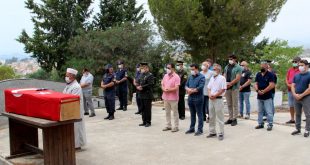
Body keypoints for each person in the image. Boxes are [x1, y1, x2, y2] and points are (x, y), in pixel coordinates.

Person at [63, 68, 87, 149]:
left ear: (72, 76)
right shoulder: (68, 85)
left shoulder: (76, 87)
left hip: (75, 110)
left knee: (77, 128)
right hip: (69, 110)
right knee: (72, 129)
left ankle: (77, 146)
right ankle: (72, 144)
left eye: (67, 75)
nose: (66, 76)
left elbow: (72, 99)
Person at [206, 64, 226, 141]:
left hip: (218, 99)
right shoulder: (212, 78)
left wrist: (215, 95)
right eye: (213, 69)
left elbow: (223, 89)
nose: (213, 71)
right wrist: (209, 94)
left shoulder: (222, 78)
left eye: (215, 69)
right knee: (211, 116)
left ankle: (221, 132)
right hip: (211, 99)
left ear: (219, 70)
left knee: (220, 116)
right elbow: (208, 88)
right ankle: (212, 131)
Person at [254, 61, 276, 131]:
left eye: (264, 66)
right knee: (260, 111)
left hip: (267, 96)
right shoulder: (258, 74)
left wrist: (264, 91)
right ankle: (260, 123)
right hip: (259, 96)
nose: (262, 67)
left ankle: (270, 124)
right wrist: (257, 90)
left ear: (267, 66)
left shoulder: (270, 74)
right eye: (261, 66)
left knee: (269, 111)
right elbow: (255, 83)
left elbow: (272, 85)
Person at [185, 64, 205, 136]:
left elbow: (200, 87)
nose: (192, 71)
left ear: (197, 69)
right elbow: (186, 85)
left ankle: (200, 130)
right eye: (191, 69)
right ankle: (192, 128)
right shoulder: (190, 77)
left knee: (199, 114)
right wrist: (188, 89)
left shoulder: (201, 77)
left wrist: (191, 91)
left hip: (198, 98)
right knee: (192, 114)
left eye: (193, 69)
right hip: (190, 98)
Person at [291, 60, 310, 137]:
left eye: (302, 65)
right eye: (299, 65)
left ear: (306, 66)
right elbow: (292, 85)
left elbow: (309, 89)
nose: (300, 67)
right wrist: (294, 94)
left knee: (308, 114)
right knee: (298, 114)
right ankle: (297, 129)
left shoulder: (309, 75)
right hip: (296, 97)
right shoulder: (296, 75)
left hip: (306, 97)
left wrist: (301, 95)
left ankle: (307, 130)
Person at [224, 54, 242, 126]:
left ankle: (235, 119)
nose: (230, 60)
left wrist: (230, 84)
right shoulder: (227, 66)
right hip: (227, 87)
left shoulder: (238, 67)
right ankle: (230, 118)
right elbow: (224, 75)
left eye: (231, 59)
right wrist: (225, 83)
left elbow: (238, 78)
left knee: (235, 104)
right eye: (229, 59)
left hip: (234, 88)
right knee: (229, 104)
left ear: (235, 59)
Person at [161, 63, 181, 132]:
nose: (167, 69)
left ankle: (176, 126)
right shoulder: (165, 76)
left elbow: (176, 87)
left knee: (175, 112)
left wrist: (169, 90)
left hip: (173, 98)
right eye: (167, 68)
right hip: (165, 97)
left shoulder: (176, 77)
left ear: (173, 69)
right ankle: (168, 125)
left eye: (169, 68)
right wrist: (163, 89)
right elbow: (162, 84)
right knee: (167, 112)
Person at [137, 62, 155, 127]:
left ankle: (148, 122)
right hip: (141, 94)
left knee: (147, 109)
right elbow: (139, 82)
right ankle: (144, 121)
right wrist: (138, 86)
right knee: (143, 109)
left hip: (147, 95)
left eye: (143, 68)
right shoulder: (142, 75)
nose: (142, 69)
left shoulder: (150, 75)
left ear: (147, 68)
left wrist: (142, 87)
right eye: (141, 68)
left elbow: (150, 84)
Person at [285, 57, 301, 124]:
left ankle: (298, 119)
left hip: (297, 91)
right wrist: (288, 84)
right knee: (291, 105)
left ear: (299, 62)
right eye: (293, 62)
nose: (294, 63)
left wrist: (293, 86)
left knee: (298, 106)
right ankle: (292, 119)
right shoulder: (290, 70)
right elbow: (286, 78)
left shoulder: (300, 71)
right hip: (289, 90)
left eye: (295, 61)